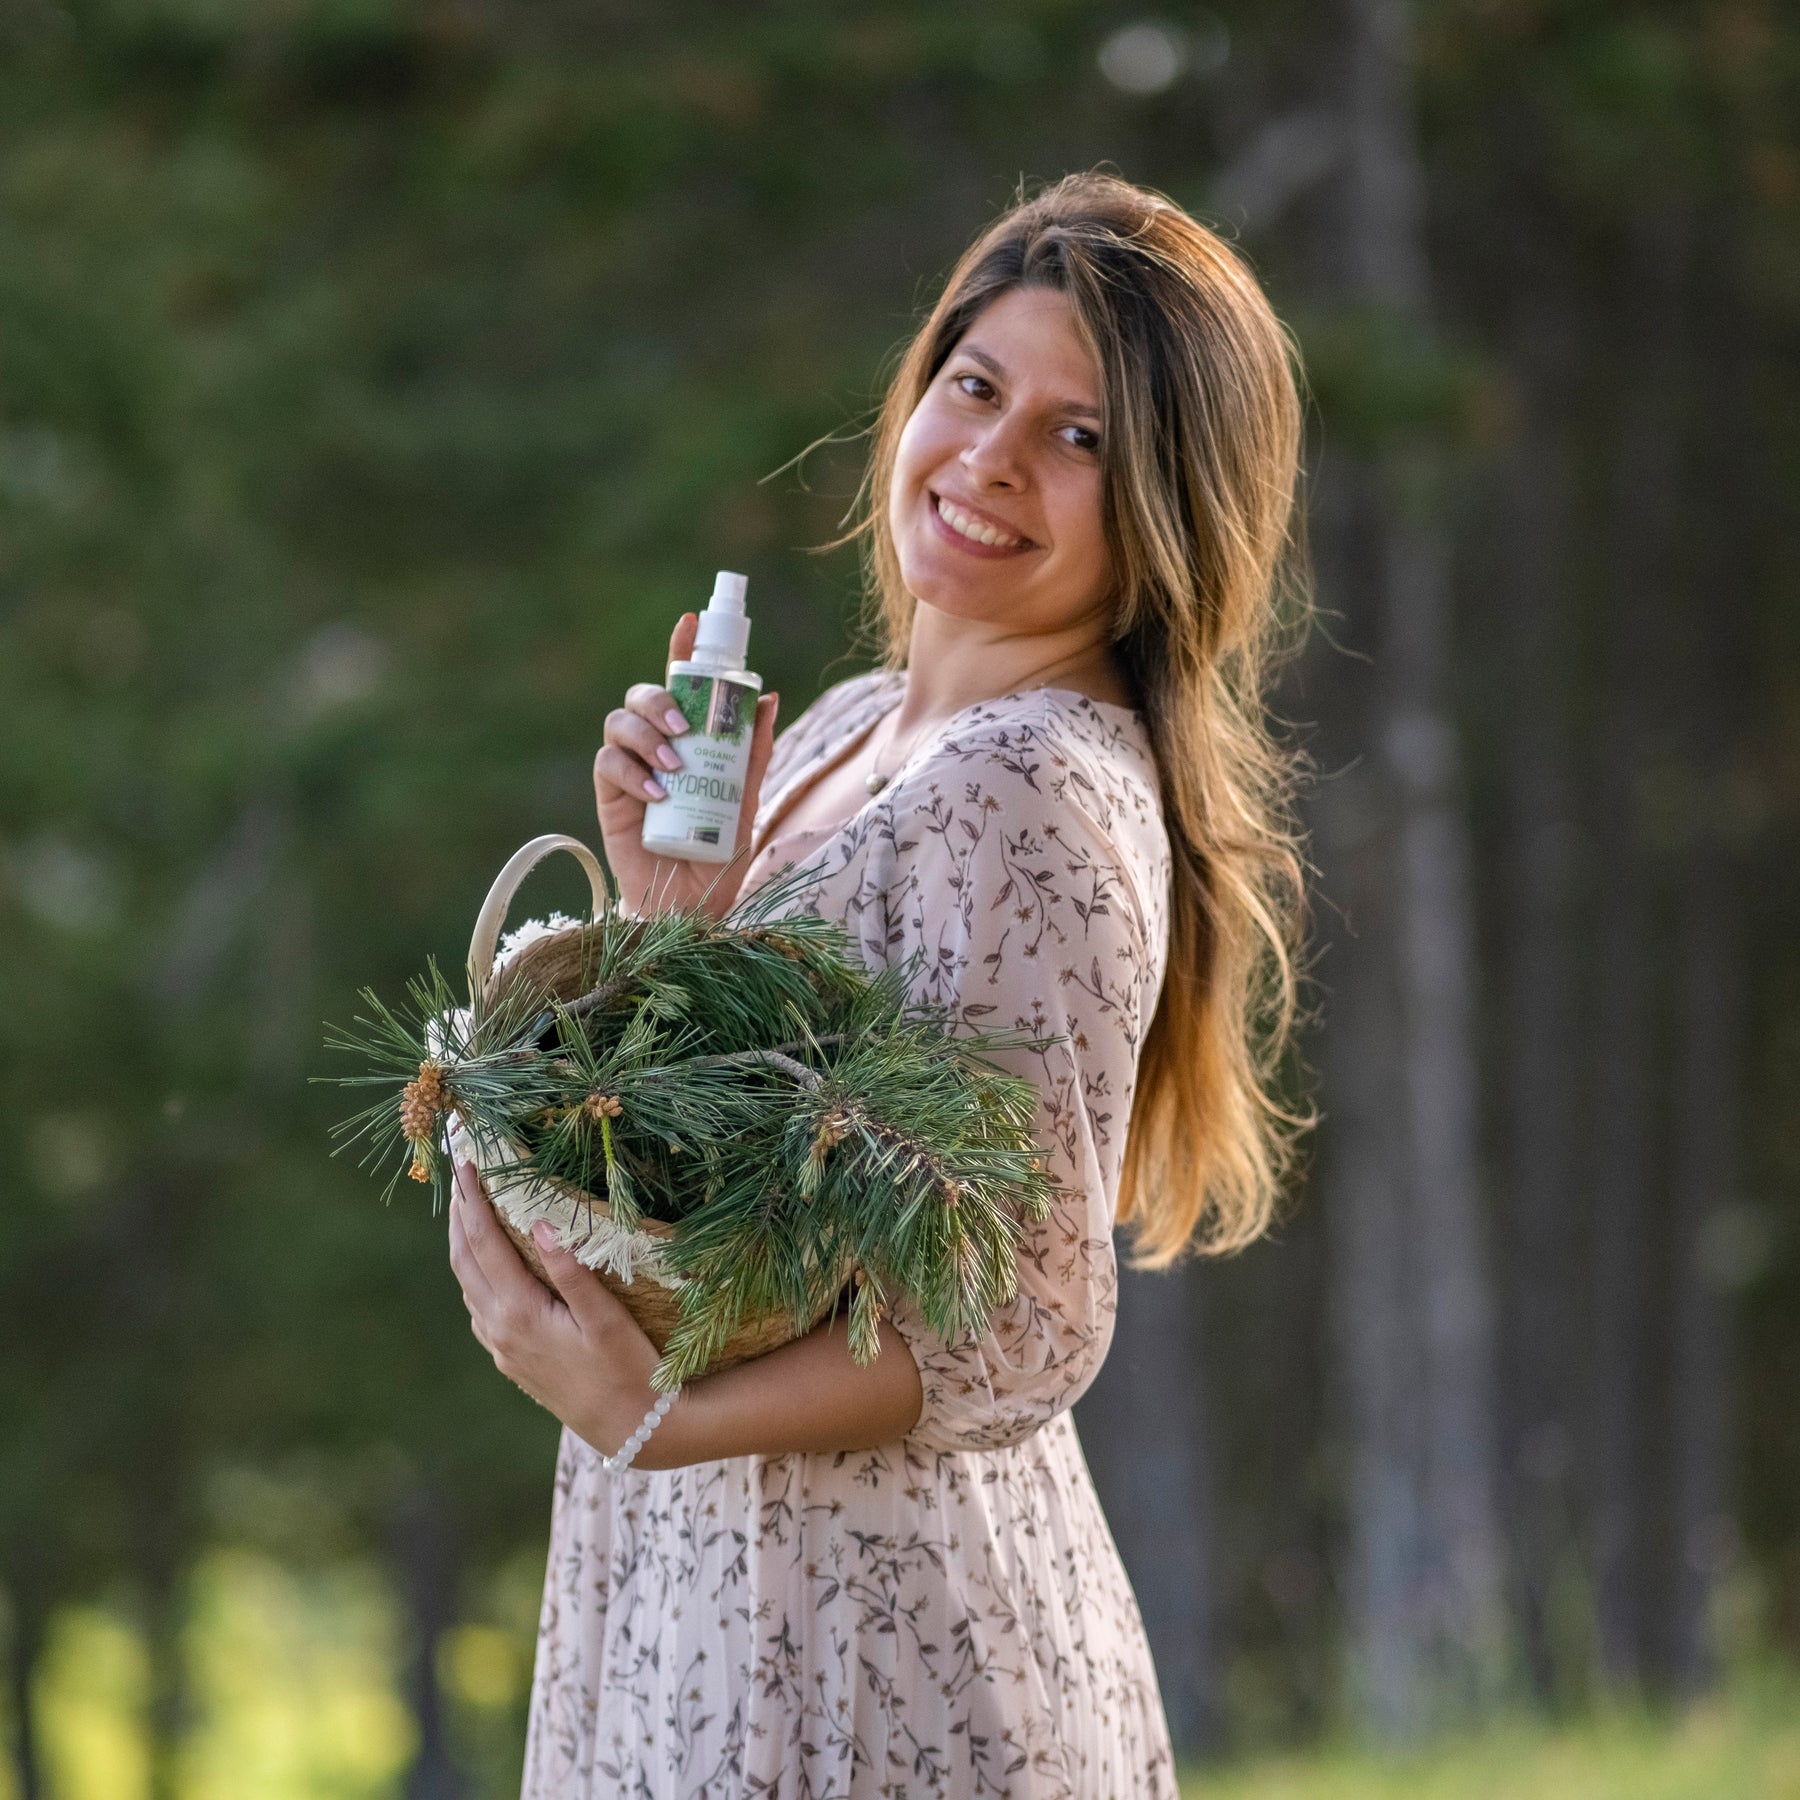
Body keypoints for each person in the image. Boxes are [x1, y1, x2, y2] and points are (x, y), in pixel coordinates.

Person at [447, 170, 1309, 1798]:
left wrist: (650, 1417)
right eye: (976, 387)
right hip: (718, 1582)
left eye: (1082, 439)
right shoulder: (848, 729)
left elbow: (1028, 1317)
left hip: (863, 1635)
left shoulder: (1027, 786)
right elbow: (755, 1166)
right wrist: (666, 915)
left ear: (1170, 513)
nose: (991, 457)